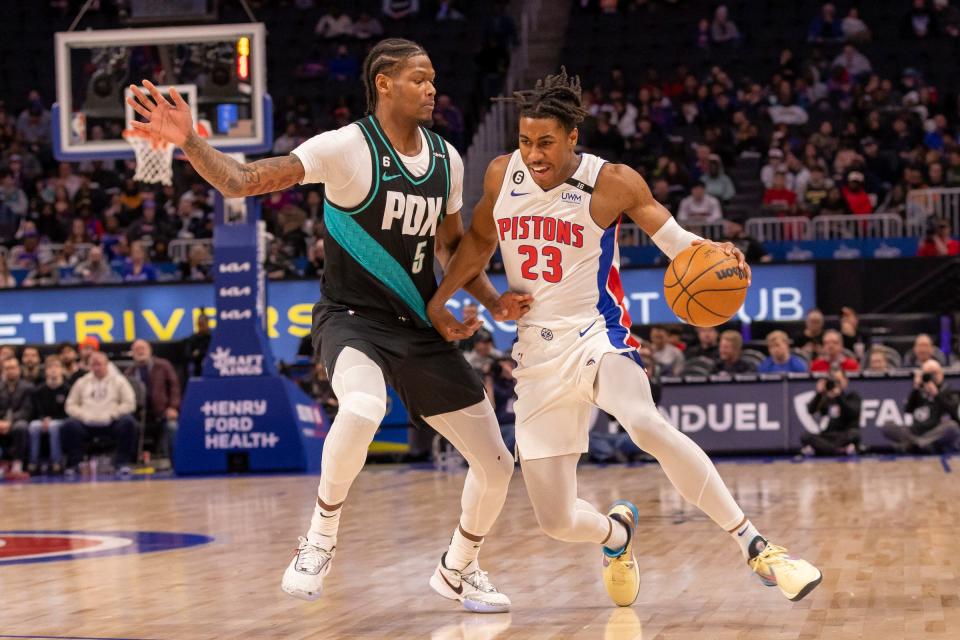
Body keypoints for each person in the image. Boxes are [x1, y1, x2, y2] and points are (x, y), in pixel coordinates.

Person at [129, 38, 524, 612]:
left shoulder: (447, 159)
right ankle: (319, 536)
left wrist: (491, 301)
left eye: (434, 78)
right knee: (361, 408)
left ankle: (459, 567)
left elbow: (453, 246)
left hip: (417, 326)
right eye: (419, 78)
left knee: (496, 464)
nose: (432, 88)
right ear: (384, 82)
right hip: (352, 319)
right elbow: (243, 181)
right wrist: (189, 139)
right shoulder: (344, 147)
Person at [426, 68, 820, 606]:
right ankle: (617, 537)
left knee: (643, 422)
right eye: (524, 141)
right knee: (557, 521)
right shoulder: (502, 174)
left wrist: (719, 253)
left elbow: (675, 238)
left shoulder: (611, 181)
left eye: (545, 142)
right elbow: (476, 241)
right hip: (535, 354)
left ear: (571, 138)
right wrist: (449, 297)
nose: (533, 153)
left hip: (596, 334)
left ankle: (757, 547)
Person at [61, 352, 139, 475]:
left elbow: (129, 403)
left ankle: (121, 463)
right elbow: (70, 405)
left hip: (111, 422)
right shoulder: (82, 382)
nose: (96, 368)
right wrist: (82, 415)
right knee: (69, 425)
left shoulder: (119, 381)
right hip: (87, 422)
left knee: (128, 422)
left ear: (107, 364)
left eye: (99, 364)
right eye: (93, 365)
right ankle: (75, 464)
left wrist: (114, 414)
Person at [882, 360, 960, 453]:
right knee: (887, 425)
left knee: (952, 427)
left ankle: (916, 445)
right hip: (915, 431)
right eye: (928, 374)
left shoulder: (949, 392)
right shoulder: (919, 392)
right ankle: (920, 445)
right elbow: (908, 410)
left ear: (941, 374)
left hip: (935, 432)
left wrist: (936, 394)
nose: (932, 377)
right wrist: (916, 388)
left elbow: (954, 413)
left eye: (934, 373)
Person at [125, 340, 180, 460]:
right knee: (127, 426)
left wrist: (173, 407)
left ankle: (173, 460)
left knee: (172, 427)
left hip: (163, 411)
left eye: (143, 348)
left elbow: (175, 387)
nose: (140, 352)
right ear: (132, 353)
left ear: (150, 350)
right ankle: (130, 461)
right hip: (139, 415)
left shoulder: (163, 366)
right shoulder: (129, 372)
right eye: (137, 349)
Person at [800, 367, 861, 456]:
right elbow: (811, 410)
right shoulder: (826, 398)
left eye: (838, 381)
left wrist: (838, 396)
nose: (836, 384)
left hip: (844, 434)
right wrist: (819, 394)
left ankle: (822, 450)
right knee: (805, 436)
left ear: (846, 381)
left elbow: (852, 413)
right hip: (828, 435)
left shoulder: (852, 396)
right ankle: (840, 451)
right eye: (834, 381)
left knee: (855, 435)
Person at [27, 356, 69, 475]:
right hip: (42, 420)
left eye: (56, 367)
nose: (53, 370)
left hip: (61, 420)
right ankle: (33, 463)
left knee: (53, 427)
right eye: (50, 367)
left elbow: (68, 411)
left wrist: (53, 419)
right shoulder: (38, 390)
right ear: (45, 371)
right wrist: (42, 419)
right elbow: (35, 410)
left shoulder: (67, 389)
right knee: (33, 426)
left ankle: (57, 462)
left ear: (61, 370)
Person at [0, 357, 32, 477]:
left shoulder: (27, 387)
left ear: (19, 369)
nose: (10, 371)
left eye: (13, 368)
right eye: (7, 368)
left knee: (21, 427)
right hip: (1, 422)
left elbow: (27, 410)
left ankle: (17, 466)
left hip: (18, 421)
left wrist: (9, 422)